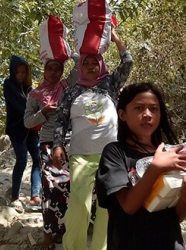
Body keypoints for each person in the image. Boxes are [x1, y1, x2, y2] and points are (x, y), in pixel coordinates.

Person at [96, 82, 186, 250]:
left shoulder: (171, 154)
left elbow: (174, 217)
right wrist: (155, 168)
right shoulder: (115, 153)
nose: (147, 114)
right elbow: (129, 206)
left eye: (154, 109)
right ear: (122, 114)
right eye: (139, 108)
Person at [52, 27, 133, 250]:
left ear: (100, 66)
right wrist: (58, 146)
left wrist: (115, 38)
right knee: (79, 204)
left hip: (111, 155)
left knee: (108, 207)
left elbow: (127, 63)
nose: (90, 67)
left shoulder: (110, 84)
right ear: (79, 68)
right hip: (81, 155)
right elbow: (61, 120)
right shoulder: (71, 91)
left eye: (94, 63)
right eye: (86, 64)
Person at [24, 55, 78, 250]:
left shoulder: (67, 86)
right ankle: (48, 234)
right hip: (47, 144)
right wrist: (43, 112)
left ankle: (63, 228)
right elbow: (27, 122)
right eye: (50, 68)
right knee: (49, 188)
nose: (54, 72)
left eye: (58, 68)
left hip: (70, 143)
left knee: (70, 186)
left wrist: (68, 52)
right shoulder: (35, 94)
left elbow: (81, 65)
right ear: (44, 70)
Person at [3, 55, 41, 213]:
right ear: (13, 72)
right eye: (18, 72)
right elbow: (22, 106)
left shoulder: (29, 89)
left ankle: (36, 196)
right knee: (22, 160)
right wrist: (39, 112)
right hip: (17, 129)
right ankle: (14, 197)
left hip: (31, 129)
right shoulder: (8, 84)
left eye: (23, 72)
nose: (20, 75)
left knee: (38, 159)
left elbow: (35, 104)